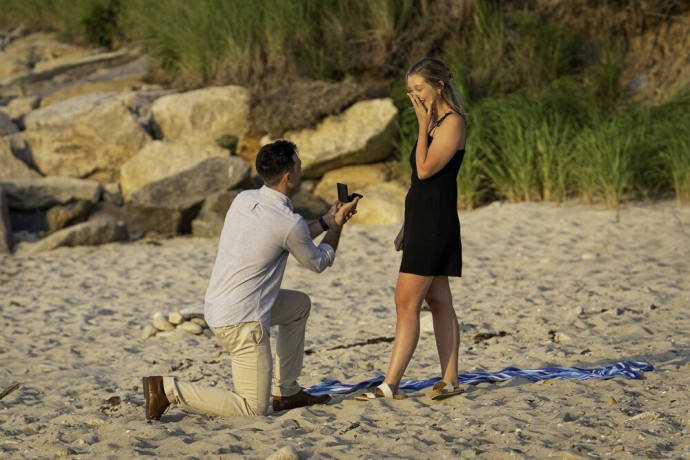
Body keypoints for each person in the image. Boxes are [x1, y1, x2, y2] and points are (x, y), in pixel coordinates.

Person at [143, 140, 360, 420]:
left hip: (220, 307)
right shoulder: (287, 221)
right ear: (288, 177)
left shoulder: (244, 199)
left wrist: (328, 219)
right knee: (252, 409)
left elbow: (291, 236)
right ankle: (167, 389)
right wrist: (339, 226)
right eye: (299, 165)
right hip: (242, 322)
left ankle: (288, 392)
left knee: (299, 306)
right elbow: (318, 261)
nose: (301, 169)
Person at [356, 57, 467, 401]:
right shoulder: (436, 123)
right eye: (409, 91)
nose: (414, 96)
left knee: (406, 302)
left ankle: (390, 385)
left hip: (436, 222)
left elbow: (424, 170)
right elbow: (420, 187)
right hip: (424, 219)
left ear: (439, 85)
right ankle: (449, 381)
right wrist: (408, 223)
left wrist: (422, 125)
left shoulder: (451, 123)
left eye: (419, 88)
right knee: (437, 299)